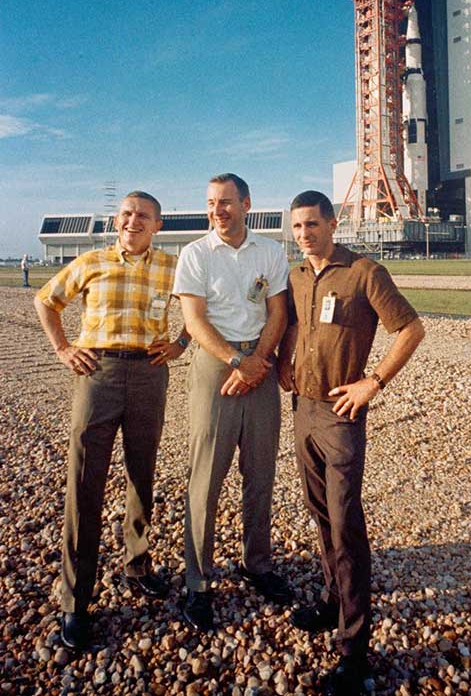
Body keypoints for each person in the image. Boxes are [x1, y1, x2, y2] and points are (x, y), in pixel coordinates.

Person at [277, 191, 425, 696]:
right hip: (303, 409)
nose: (304, 234)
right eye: (297, 227)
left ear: (333, 223)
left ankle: (355, 652)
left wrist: (374, 382)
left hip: (342, 414)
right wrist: (282, 361)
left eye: (312, 224)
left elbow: (410, 328)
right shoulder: (297, 276)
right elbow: (296, 323)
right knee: (320, 514)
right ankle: (331, 600)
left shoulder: (365, 273)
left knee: (345, 525)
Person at [34, 191, 190, 651]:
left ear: (158, 224)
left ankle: (137, 566)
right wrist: (63, 348)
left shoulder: (172, 266)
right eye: (126, 214)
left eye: (143, 215)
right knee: (85, 482)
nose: (133, 221)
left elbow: (205, 307)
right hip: (97, 373)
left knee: (142, 475)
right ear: (116, 221)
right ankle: (75, 600)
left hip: (149, 374)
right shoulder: (91, 261)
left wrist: (180, 343)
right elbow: (48, 301)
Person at [174, 173, 292, 631]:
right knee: (205, 477)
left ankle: (256, 564)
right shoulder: (196, 254)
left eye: (225, 202)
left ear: (246, 203)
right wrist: (235, 361)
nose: (217, 211)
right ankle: (198, 581)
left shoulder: (271, 251)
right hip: (216, 362)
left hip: (259, 363)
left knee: (260, 472)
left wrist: (259, 360)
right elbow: (195, 319)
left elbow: (278, 311)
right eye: (210, 203)